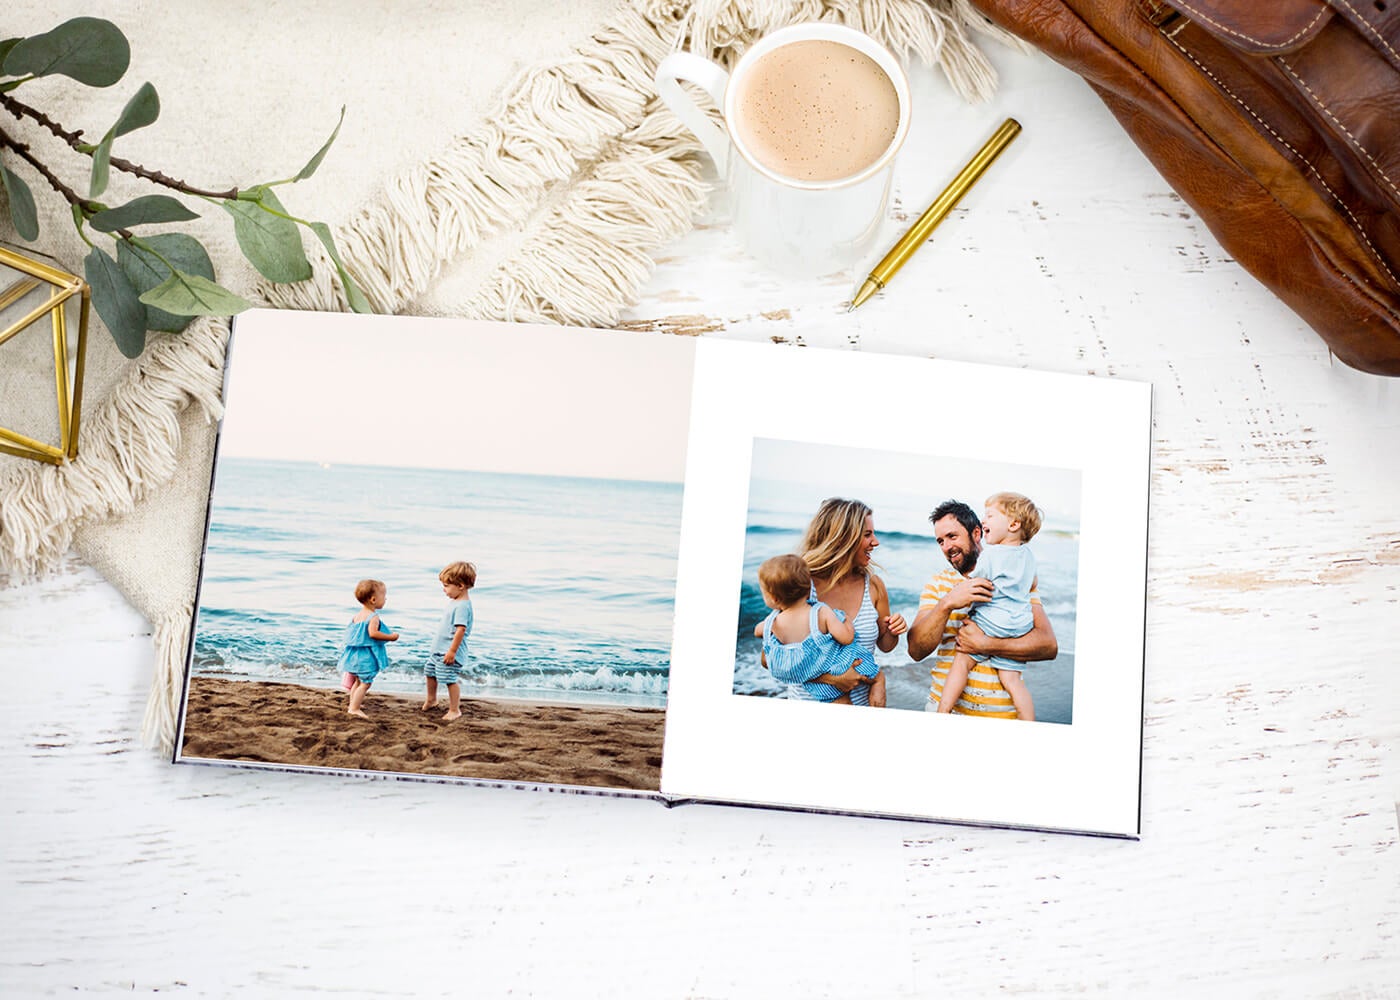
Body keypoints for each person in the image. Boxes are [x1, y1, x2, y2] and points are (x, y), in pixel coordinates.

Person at [907, 499, 1058, 718]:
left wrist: (986, 644)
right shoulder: (937, 585)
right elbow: (916, 651)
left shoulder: (1014, 581)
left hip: (1002, 715)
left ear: (976, 533)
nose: (946, 547)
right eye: (940, 541)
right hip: (947, 711)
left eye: (952, 536)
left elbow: (1048, 646)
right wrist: (947, 602)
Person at [936, 492, 1042, 720]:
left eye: (990, 516)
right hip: (1020, 625)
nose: (984, 521)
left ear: (1013, 524)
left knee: (962, 662)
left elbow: (976, 581)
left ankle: (943, 711)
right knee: (1013, 681)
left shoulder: (991, 555)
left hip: (992, 623)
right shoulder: (1029, 556)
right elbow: (1032, 582)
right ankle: (1029, 722)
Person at [798, 498, 908, 707]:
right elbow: (771, 659)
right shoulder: (801, 584)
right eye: (867, 535)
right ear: (843, 538)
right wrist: (831, 679)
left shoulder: (874, 586)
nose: (876, 542)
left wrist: (892, 632)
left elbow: (885, 646)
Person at [753, 554, 880, 703]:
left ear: (773, 598)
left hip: (806, 680)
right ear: (808, 587)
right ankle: (878, 681)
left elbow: (758, 632)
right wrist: (847, 622)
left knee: (834, 699)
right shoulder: (820, 612)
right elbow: (847, 638)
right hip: (830, 670)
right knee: (858, 670)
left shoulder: (771, 623)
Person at [338, 579, 400, 719]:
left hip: (354, 655)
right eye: (384, 596)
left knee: (358, 681)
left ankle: (353, 704)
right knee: (365, 683)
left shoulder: (357, 616)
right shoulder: (373, 617)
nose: (386, 599)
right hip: (365, 657)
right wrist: (391, 637)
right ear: (373, 599)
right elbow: (373, 634)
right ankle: (354, 708)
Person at [425, 560, 475, 721]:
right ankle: (432, 700)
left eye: (447, 586)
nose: (444, 589)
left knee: (449, 679)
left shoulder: (462, 606)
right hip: (439, 650)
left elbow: (460, 630)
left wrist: (452, 651)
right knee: (430, 672)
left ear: (460, 586)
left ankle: (455, 709)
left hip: (449, 651)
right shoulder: (455, 602)